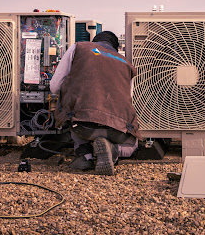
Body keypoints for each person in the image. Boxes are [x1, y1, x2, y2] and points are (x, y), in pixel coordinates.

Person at [50, 31, 140, 175]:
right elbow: (128, 98)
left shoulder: (79, 48)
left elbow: (54, 87)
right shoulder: (126, 63)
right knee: (132, 145)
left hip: (83, 126)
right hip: (117, 131)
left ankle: (85, 155)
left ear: (94, 42)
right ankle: (114, 150)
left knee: (74, 111)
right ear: (115, 48)